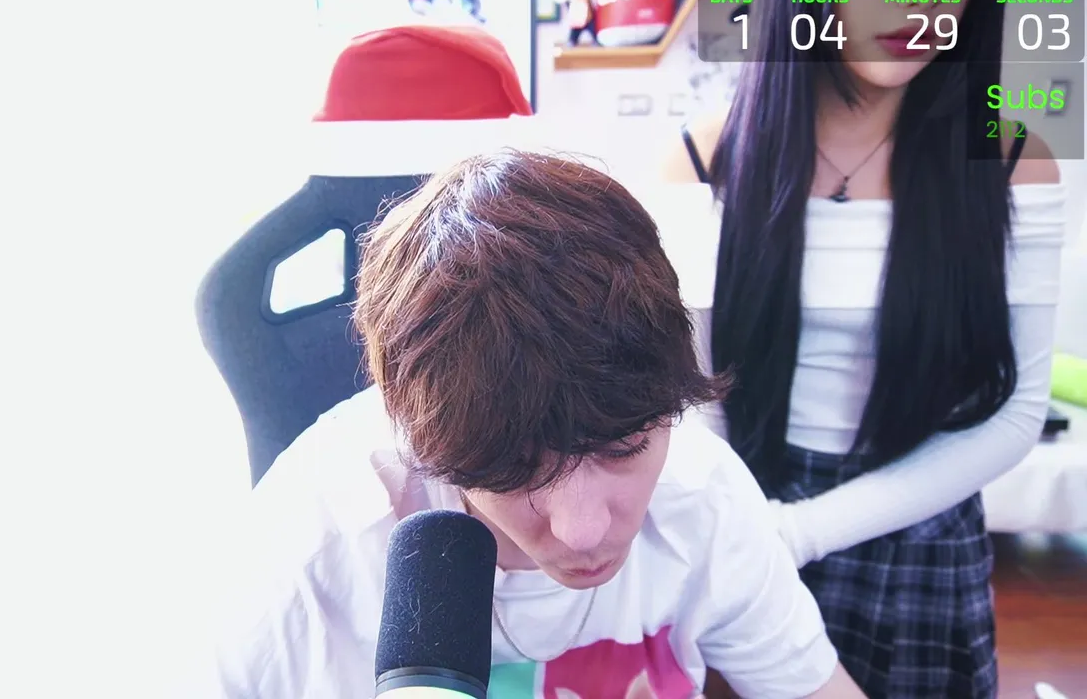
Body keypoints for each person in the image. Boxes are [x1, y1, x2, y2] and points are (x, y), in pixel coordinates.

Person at [213, 150, 868, 698]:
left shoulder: (704, 502)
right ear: (422, 439)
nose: (583, 531)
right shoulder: (310, 553)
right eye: (516, 469)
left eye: (625, 446)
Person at [660, 0, 1066, 696]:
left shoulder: (1011, 159)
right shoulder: (699, 159)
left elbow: (1015, 412)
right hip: (747, 515)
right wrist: (749, 527)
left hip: (921, 529)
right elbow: (692, 395)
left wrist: (801, 531)